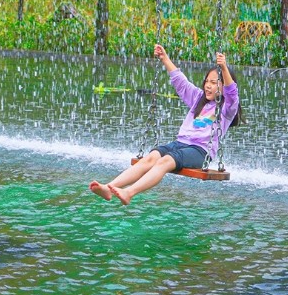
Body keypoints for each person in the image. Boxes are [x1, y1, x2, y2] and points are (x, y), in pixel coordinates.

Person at [90, 43, 240, 206]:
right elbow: (180, 81)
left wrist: (224, 68)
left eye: (214, 82)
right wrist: (164, 58)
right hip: (179, 144)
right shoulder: (198, 98)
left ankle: (129, 192)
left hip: (200, 151)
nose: (208, 85)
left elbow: (232, 92)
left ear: (222, 86)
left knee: (165, 161)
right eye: (207, 81)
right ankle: (109, 187)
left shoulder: (226, 109)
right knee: (151, 157)